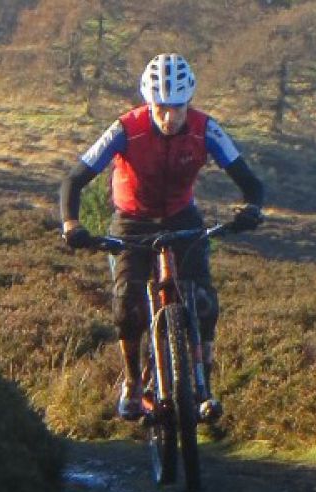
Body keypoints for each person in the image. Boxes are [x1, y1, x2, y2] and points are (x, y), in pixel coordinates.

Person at [59, 53, 266, 422]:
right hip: (132, 221)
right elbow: (74, 179)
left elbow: (249, 180)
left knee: (203, 302)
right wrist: (71, 224)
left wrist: (250, 208)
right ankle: (132, 383)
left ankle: (203, 385)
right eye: (160, 108)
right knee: (127, 303)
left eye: (177, 109)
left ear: (188, 103)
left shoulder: (206, 129)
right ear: (148, 102)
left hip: (181, 217)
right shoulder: (125, 128)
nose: (169, 118)